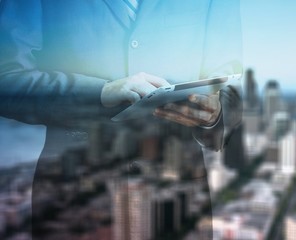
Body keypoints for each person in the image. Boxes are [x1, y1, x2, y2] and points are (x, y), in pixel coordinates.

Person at [0, 0, 242, 239]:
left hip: (179, 194)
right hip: (72, 194)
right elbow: (6, 79)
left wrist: (216, 113)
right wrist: (100, 93)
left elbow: (231, 80)